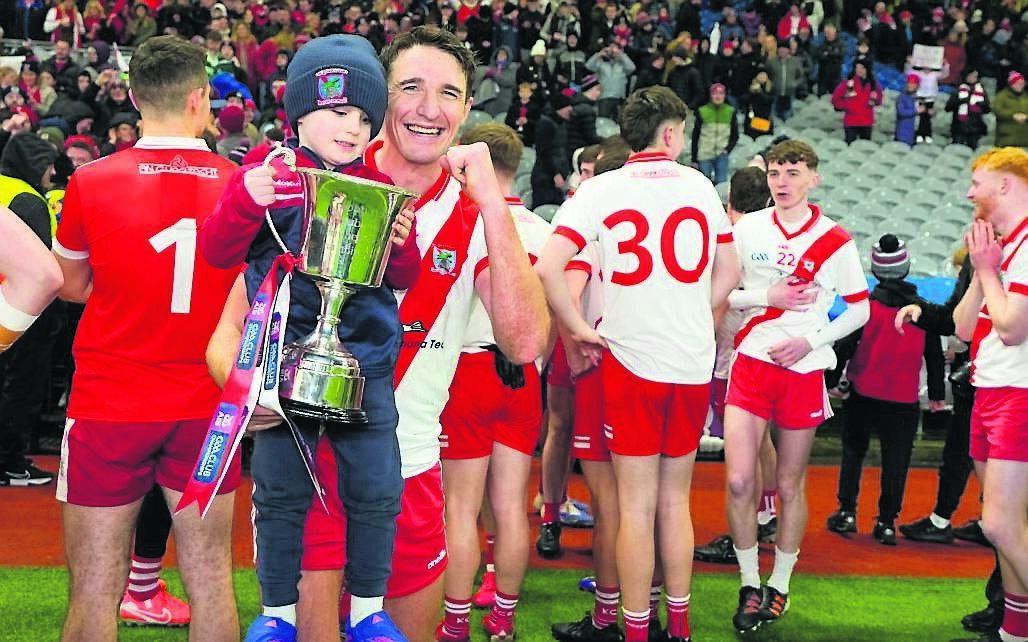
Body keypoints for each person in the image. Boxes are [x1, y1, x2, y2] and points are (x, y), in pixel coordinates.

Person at [204, 25, 549, 642]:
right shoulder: (311, 178)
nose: (429, 108)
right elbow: (230, 330)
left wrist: (494, 199)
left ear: (468, 108)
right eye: (410, 87)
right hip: (307, 455)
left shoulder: (474, 213)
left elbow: (524, 344)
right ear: (377, 97)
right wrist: (250, 394)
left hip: (407, 470)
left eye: (449, 93)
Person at [196, 34, 417, 642]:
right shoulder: (267, 174)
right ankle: (278, 614)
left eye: (365, 118)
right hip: (281, 366)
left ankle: (367, 609)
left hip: (365, 365)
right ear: (299, 112)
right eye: (339, 111)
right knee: (279, 493)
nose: (353, 128)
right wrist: (245, 200)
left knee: (377, 489)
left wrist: (402, 244)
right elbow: (216, 250)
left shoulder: (379, 184)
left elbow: (402, 278)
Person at [51, 35, 241, 642]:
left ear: (133, 98)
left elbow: (70, 285)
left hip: (110, 403)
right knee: (212, 580)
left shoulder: (91, 181)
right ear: (199, 98)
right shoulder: (239, 184)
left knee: (92, 595)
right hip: (207, 407)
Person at [538, 85, 740, 642]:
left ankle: (631, 628)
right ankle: (680, 626)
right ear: (670, 133)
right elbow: (729, 272)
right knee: (675, 502)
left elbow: (550, 268)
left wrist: (577, 327)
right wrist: (690, 310)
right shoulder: (699, 185)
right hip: (691, 362)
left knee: (633, 508)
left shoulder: (601, 189)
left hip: (630, 363)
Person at [724, 139, 870, 633]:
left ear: (813, 178)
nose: (782, 182)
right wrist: (768, 295)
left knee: (789, 483)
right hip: (750, 362)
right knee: (740, 480)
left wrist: (810, 342)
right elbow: (718, 292)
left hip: (803, 370)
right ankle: (749, 582)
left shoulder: (835, 239)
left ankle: (780, 585)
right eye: (775, 173)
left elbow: (860, 309)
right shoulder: (747, 229)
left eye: (792, 172)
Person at [435, 123, 552, 642]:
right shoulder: (542, 230)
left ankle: (456, 621)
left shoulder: (462, 218)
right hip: (522, 374)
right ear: (518, 164)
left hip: (468, 369)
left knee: (459, 508)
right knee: (510, 506)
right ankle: (504, 618)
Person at [824, 234, 946, 546]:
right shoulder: (922, 312)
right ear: (906, 268)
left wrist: (831, 382)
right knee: (897, 460)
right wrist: (936, 394)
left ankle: (847, 512)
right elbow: (934, 355)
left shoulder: (865, 307)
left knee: (853, 453)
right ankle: (887, 522)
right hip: (903, 399)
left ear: (876, 271)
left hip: (863, 393)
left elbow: (844, 346)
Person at [951, 147, 1028, 642]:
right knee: (1007, 528)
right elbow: (963, 328)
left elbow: (1012, 328)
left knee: (1000, 526)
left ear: (1004, 184)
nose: (969, 192)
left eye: (977, 182)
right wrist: (985, 267)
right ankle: (1015, 630)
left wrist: (985, 268)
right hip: (991, 390)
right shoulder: (1007, 246)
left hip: (1018, 394)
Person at [693, 166, 778, 566]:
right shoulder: (772, 237)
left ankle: (749, 527)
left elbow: (719, 300)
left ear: (729, 201)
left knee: (744, 447)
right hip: (765, 351)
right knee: (760, 440)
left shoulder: (729, 240)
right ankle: (766, 512)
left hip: (732, 357)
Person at [0, 131, 61, 486]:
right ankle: (9, 461)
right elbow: (43, 270)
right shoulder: (28, 199)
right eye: (48, 164)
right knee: (20, 384)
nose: (52, 172)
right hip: (23, 311)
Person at [691, 83, 739, 185]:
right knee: (704, 184)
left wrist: (728, 149)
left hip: (722, 154)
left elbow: (735, 135)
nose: (718, 96)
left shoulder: (731, 111)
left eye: (721, 93)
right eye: (715, 93)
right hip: (704, 153)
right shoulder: (702, 111)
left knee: (721, 184)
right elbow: (695, 136)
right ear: (710, 95)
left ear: (725, 95)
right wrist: (694, 158)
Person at [831, 59, 883, 144]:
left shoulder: (873, 84)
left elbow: (879, 100)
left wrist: (875, 100)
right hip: (851, 121)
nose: (859, 70)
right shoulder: (848, 83)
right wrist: (847, 106)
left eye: (862, 68)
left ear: (867, 69)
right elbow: (835, 99)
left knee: (865, 146)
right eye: (857, 67)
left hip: (866, 121)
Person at [946, 68, 991, 151]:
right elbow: (948, 107)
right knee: (957, 149)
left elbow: (987, 110)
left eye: (975, 76)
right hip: (959, 127)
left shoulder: (981, 91)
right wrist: (960, 101)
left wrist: (981, 105)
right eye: (970, 76)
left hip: (975, 128)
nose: (972, 78)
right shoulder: (958, 90)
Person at [992, 72, 1028, 148]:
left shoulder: (1026, 96)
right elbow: (997, 110)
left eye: (1022, 83)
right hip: (1006, 139)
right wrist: (1012, 115)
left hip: (1025, 139)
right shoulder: (1001, 96)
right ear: (1011, 84)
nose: (1020, 85)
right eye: (1018, 83)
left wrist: (1025, 116)